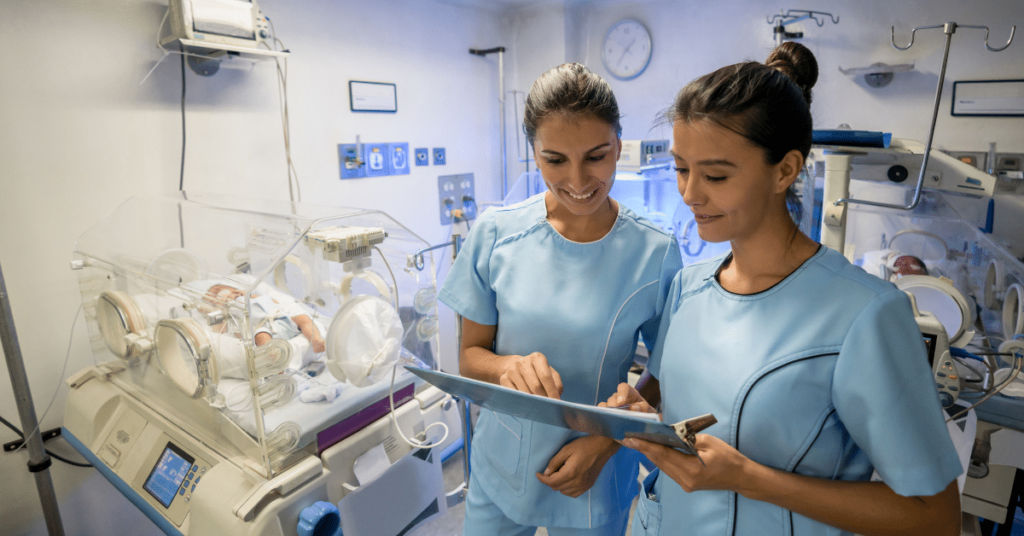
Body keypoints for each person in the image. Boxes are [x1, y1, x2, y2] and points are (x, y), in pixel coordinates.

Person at [604, 42, 963, 535]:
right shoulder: (689, 287)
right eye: (681, 169)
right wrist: (640, 413)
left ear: (786, 170)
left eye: (715, 175)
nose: (690, 194)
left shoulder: (864, 315)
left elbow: (935, 518)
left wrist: (751, 479)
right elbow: (673, 396)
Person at [438, 63, 683, 535]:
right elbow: (470, 358)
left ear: (618, 145)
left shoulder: (654, 251)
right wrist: (506, 367)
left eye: (597, 156)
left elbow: (667, 371)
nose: (578, 180)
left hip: (595, 468)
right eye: (555, 160)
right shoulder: (496, 235)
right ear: (534, 153)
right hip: (501, 459)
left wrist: (607, 441)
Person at [206, 282, 326, 354]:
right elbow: (221, 331)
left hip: (280, 321)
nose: (224, 296)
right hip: (261, 329)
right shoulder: (226, 311)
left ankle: (317, 343)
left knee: (303, 318)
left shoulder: (251, 298)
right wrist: (218, 310)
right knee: (261, 336)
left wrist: (250, 295)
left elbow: (274, 303)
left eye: (226, 291)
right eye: (215, 297)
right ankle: (275, 362)